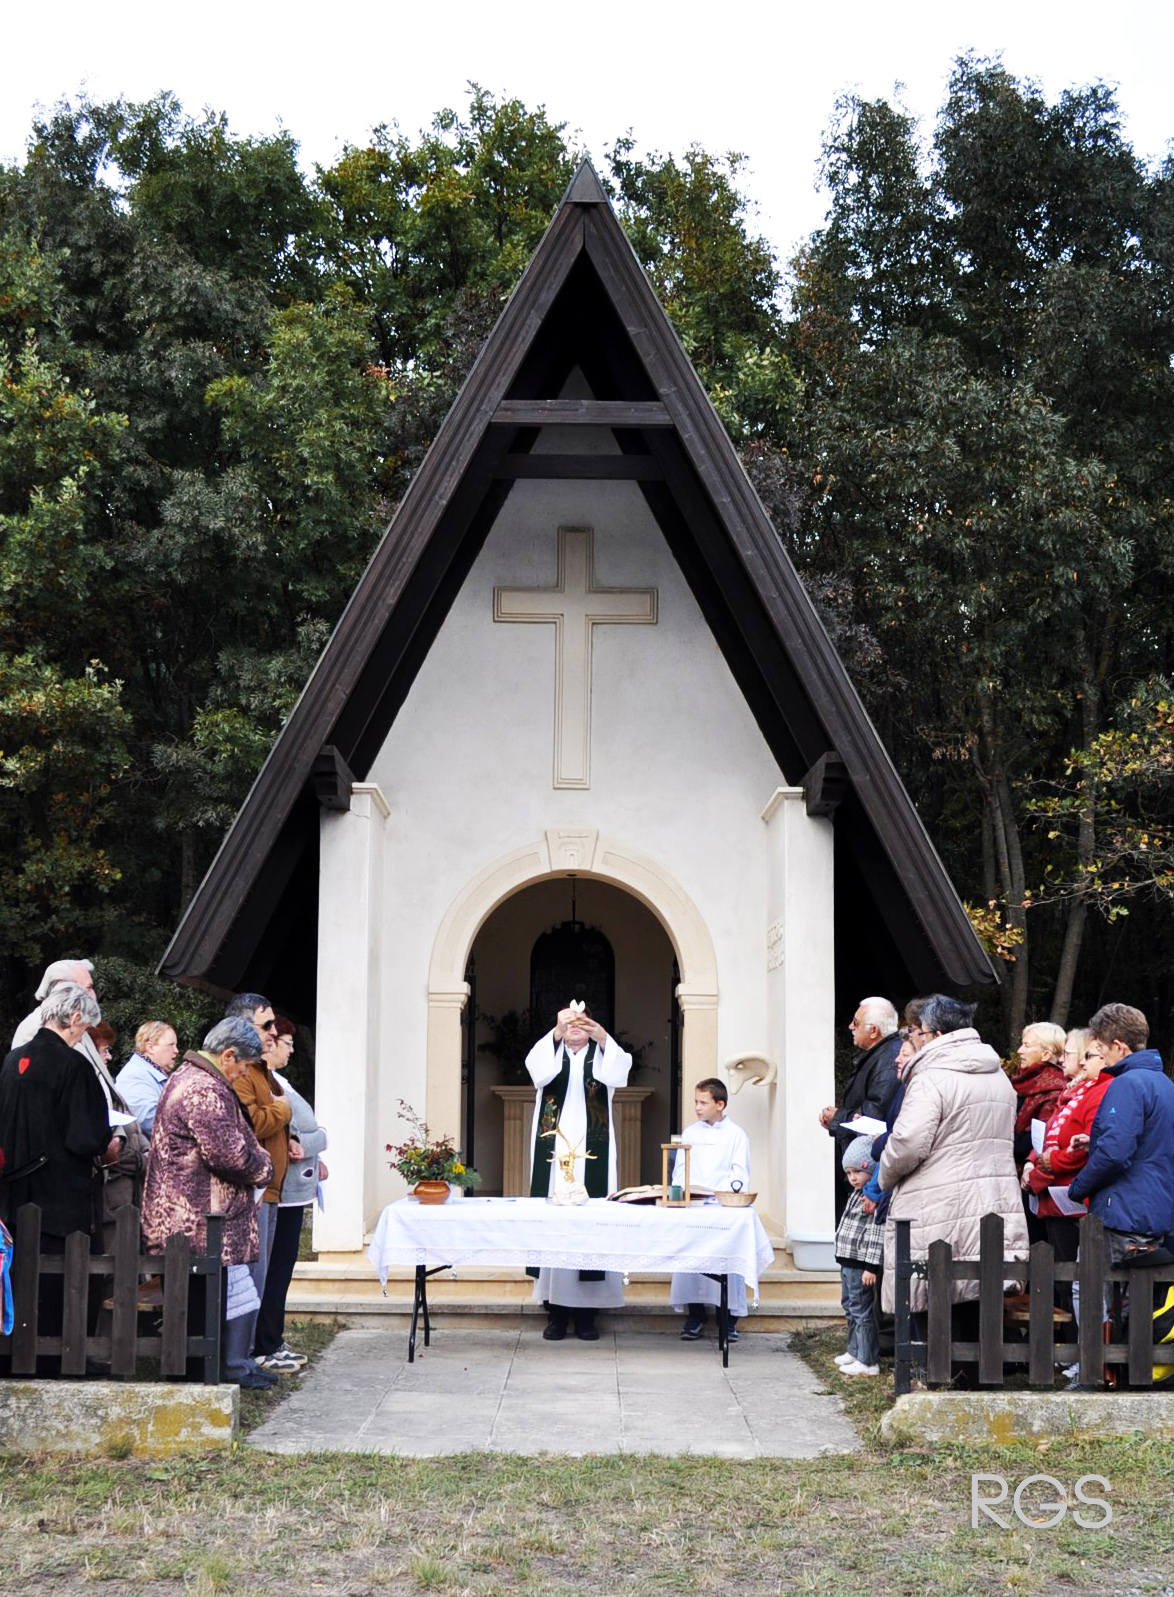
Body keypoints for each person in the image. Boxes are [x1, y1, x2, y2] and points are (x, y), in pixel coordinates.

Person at [879, 994, 1029, 1384]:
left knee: (936, 1288)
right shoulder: (997, 1075)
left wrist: (884, 1174)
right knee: (977, 1289)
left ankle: (941, 1375)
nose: (914, 1039)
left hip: (939, 1198)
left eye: (917, 1032)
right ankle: (978, 1376)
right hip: (992, 1198)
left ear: (938, 1034)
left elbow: (908, 1142)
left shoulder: (932, 1077)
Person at [141, 1018, 274, 1388]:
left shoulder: (193, 1077)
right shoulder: (203, 1088)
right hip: (193, 1220)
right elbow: (229, 1155)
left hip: (193, 1218)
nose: (243, 1072)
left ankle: (214, 1371)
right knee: (199, 1308)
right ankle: (202, 1380)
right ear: (227, 1055)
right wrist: (265, 1165)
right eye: (243, 1065)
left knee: (206, 1303)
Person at [0, 982, 119, 1351]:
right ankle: (54, 1357)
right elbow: (83, 1137)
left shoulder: (11, 1060)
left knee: (18, 1276)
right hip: (59, 1193)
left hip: (12, 1191)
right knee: (59, 1280)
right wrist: (109, 1143)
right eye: (84, 1029)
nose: (82, 1036)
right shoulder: (73, 1065)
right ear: (74, 1018)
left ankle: (12, 1352)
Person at [525, 1001, 632, 1341]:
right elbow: (536, 1069)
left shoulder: (602, 1056)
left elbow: (620, 1071)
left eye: (581, 1025)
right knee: (555, 1225)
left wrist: (602, 1038)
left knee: (591, 1224)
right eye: (569, 1025)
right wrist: (556, 1032)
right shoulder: (550, 1052)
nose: (575, 1029)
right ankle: (555, 1314)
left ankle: (587, 1316)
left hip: (592, 1157)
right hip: (554, 1156)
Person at [1067, 1003, 1174, 1265]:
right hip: (1154, 1209)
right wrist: (1095, 1142)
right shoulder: (1164, 1084)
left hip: (1124, 1213)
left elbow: (1115, 1154)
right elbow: (1153, 1141)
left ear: (1119, 1046)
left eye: (1101, 1048)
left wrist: (1078, 1188)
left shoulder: (1127, 1083)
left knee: (1105, 1299)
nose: (1100, 1056)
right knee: (1139, 1301)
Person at [225, 1001, 295, 1380]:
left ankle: (249, 1355)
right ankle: (244, 1355)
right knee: (250, 1276)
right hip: (254, 1188)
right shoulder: (244, 1072)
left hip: (270, 1186)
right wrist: (284, 1112)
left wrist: (290, 1127)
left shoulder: (262, 1071)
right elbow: (252, 1121)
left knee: (261, 1275)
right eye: (266, 1024)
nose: (272, 1032)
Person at [254, 1017, 328, 1374]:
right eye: (286, 1041)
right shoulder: (267, 1086)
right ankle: (265, 1340)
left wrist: (316, 1145)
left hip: (295, 1186)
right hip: (283, 1187)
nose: (291, 1048)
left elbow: (306, 1134)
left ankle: (272, 1337)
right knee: (275, 1267)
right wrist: (318, 1142)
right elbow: (297, 1135)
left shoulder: (278, 1083)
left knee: (281, 1267)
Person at [670, 1077, 751, 1341]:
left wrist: (721, 1192)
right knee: (692, 1261)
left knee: (724, 1261)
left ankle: (727, 1319)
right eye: (696, 1101)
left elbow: (740, 1172)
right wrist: (683, 1188)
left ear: (720, 1104)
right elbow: (680, 1167)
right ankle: (695, 1315)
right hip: (694, 1205)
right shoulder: (691, 1133)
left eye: (703, 1102)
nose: (697, 1107)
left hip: (721, 1206)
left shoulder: (736, 1135)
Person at [820, 998, 901, 1219]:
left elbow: (876, 1113)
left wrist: (838, 1117)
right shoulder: (881, 1055)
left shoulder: (890, 1058)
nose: (850, 1027)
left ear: (874, 1031)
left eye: (856, 1022)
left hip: (871, 1172)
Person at [834, 1134, 885, 1377]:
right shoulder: (856, 1193)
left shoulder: (871, 1198)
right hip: (847, 1261)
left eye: (858, 1171)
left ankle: (868, 1360)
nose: (853, 1177)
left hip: (860, 1263)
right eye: (849, 1173)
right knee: (850, 1305)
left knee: (862, 1309)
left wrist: (871, 1267)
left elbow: (876, 1233)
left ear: (870, 1170)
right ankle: (854, 1350)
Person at [115, 1021, 180, 1137]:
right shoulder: (134, 1076)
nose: (176, 1050)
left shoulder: (150, 1073)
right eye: (171, 1045)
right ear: (150, 1047)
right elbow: (149, 1121)